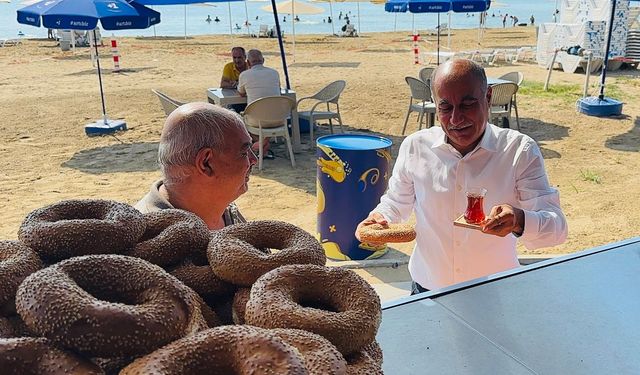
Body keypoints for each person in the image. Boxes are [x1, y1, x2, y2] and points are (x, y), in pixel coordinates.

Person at [355, 59, 568, 294]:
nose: (456, 119)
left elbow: (557, 229)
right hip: (427, 289)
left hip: (496, 291)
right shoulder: (415, 146)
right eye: (446, 108)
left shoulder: (519, 151)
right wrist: (379, 218)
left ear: (488, 98)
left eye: (467, 105)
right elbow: (396, 202)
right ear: (435, 105)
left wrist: (519, 219)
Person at [135, 102, 257, 230]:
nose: (254, 159)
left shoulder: (217, 206)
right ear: (206, 163)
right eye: (244, 153)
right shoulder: (153, 239)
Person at [237, 49, 282, 158]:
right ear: (263, 60)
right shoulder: (274, 73)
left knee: (242, 120)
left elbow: (241, 93)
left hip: (257, 121)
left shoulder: (245, 75)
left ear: (248, 63)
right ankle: (263, 146)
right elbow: (279, 89)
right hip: (279, 118)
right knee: (265, 120)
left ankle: (258, 146)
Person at [220, 46, 249, 112]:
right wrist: (239, 85)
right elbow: (223, 84)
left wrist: (236, 84)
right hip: (234, 101)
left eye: (239, 57)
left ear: (245, 57)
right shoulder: (228, 67)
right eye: (234, 57)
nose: (237, 60)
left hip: (248, 101)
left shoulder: (250, 67)